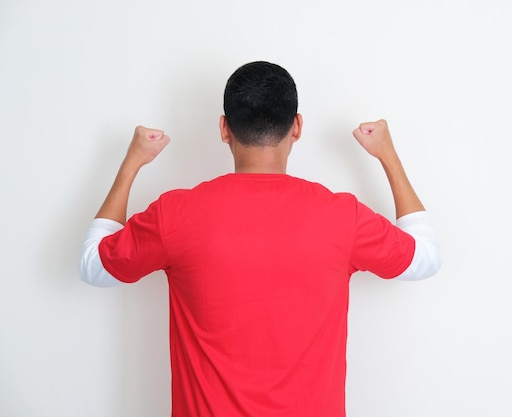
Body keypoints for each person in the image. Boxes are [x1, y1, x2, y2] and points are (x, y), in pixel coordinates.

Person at [79, 61, 441, 417]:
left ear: (224, 129)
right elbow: (425, 257)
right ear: (297, 127)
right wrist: (387, 155)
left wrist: (132, 163)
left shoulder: (175, 213)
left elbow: (94, 266)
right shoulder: (342, 216)